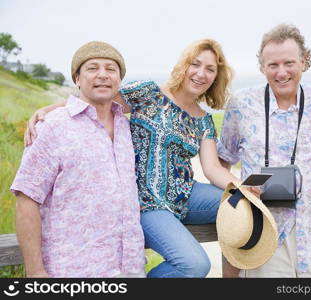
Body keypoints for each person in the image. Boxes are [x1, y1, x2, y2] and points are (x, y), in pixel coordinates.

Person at [25, 39, 241, 278]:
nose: (201, 73)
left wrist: (244, 188)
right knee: (194, 265)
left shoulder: (204, 120)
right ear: (184, 66)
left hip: (185, 194)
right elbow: (96, 98)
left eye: (210, 69)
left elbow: (212, 169)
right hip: (145, 201)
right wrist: (49, 110)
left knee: (242, 205)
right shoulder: (149, 93)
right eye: (196, 64)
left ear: (216, 77)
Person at [11, 41, 146, 277]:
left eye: (111, 69)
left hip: (129, 268)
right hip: (73, 271)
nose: (103, 75)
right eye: (93, 68)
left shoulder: (126, 126)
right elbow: (26, 198)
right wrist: (35, 272)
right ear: (77, 78)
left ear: (119, 80)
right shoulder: (53, 126)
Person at [217, 23, 311, 277]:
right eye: (273, 65)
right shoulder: (241, 104)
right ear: (262, 67)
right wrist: (236, 200)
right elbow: (223, 159)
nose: (281, 72)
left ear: (304, 61)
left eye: (289, 63)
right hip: (263, 233)